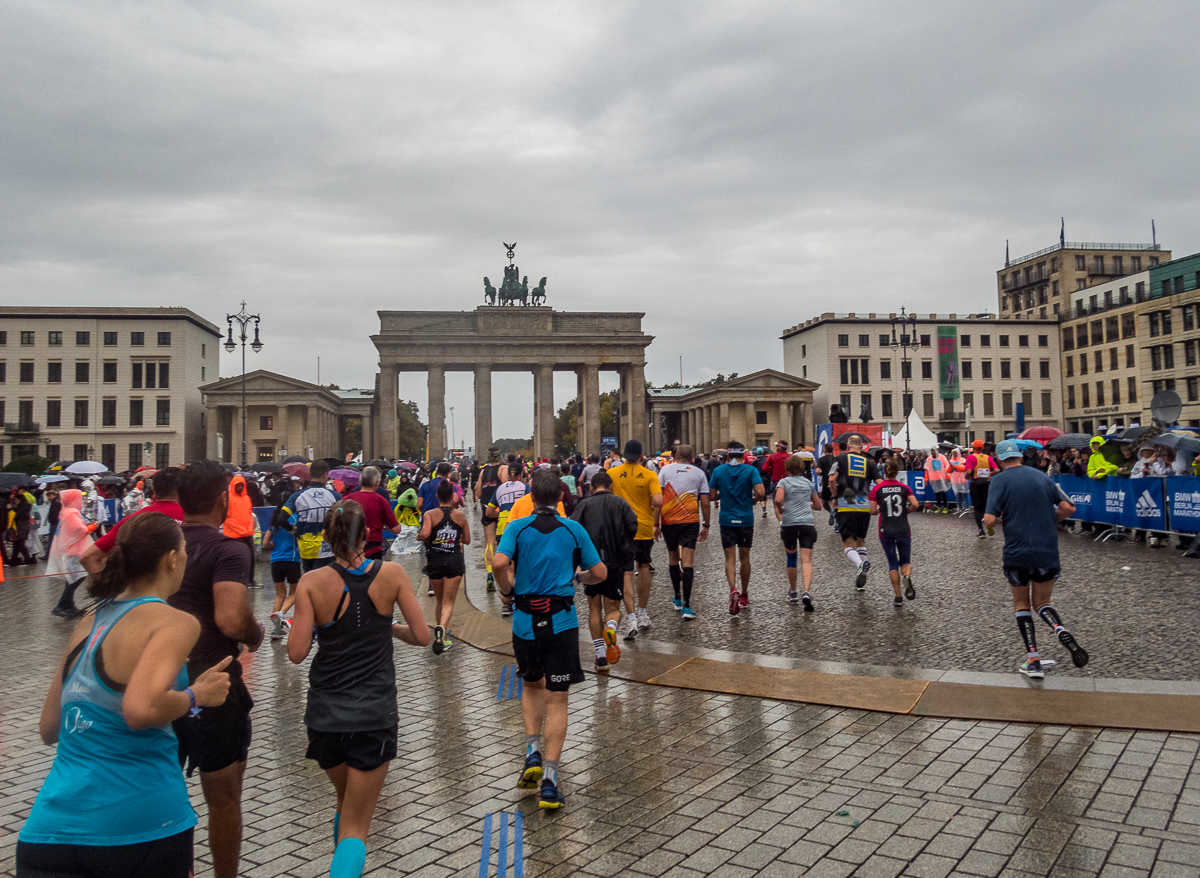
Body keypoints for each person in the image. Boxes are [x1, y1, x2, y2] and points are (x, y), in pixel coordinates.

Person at [16, 513, 233, 878]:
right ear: (172, 558)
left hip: (50, 832)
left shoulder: (91, 618)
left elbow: (49, 727)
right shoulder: (174, 622)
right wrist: (198, 694)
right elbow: (140, 709)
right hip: (140, 826)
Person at [287, 499, 430, 877]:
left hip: (324, 717)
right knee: (356, 827)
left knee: (344, 803)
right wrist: (390, 628)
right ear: (367, 533)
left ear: (327, 537)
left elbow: (297, 653)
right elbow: (423, 636)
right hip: (373, 716)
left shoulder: (311, 583)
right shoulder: (394, 574)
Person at [170, 459, 265, 878]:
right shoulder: (227, 548)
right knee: (223, 798)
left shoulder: (163, 546)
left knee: (162, 786)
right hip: (215, 678)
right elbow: (231, 620)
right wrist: (256, 632)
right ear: (222, 498)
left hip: (159, 678)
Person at [492, 470, 606, 810]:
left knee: (530, 686)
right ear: (559, 495)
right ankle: (551, 780)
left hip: (526, 620)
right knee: (558, 699)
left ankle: (531, 753)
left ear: (531, 495)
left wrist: (506, 590)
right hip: (562, 620)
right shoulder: (573, 528)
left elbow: (499, 562)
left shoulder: (517, 527)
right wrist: (580, 576)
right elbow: (599, 572)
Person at [984, 440, 1089, 680]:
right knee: (1042, 603)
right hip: (1046, 551)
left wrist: (996, 520)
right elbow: (1069, 508)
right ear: (1020, 456)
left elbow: (989, 519)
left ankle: (1033, 661)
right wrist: (1051, 519)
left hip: (1016, 553)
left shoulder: (999, 480)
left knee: (1022, 605)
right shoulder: (1043, 477)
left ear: (1000, 459)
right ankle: (1058, 628)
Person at [571, 469, 637, 670]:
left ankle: (600, 655)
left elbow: (573, 530)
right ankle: (611, 628)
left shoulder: (584, 505)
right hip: (615, 563)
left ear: (591, 488)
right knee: (613, 608)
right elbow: (633, 526)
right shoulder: (621, 503)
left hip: (592, 563)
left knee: (594, 608)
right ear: (610, 486)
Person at [81, 468, 185, 577]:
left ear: (153, 488)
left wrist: (108, 591)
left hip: (142, 588)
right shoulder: (195, 517)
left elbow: (88, 558)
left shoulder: (133, 520)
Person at [608, 439, 663, 637]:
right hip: (644, 527)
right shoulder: (649, 475)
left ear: (624, 455)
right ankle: (643, 612)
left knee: (626, 572)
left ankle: (629, 618)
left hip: (621, 528)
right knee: (644, 566)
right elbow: (658, 500)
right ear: (641, 455)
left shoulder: (612, 473)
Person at [708, 441, 765, 615]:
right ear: (743, 455)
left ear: (728, 455)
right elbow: (761, 492)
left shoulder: (718, 471)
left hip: (726, 519)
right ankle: (745, 594)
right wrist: (754, 500)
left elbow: (711, 496)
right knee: (745, 558)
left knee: (729, 559)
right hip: (745, 519)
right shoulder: (751, 470)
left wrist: (722, 494)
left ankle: (733, 589)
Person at [657, 444, 710, 619]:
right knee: (688, 562)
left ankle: (677, 598)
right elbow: (705, 502)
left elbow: (658, 499)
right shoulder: (699, 473)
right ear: (692, 457)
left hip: (669, 519)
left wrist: (655, 524)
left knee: (673, 557)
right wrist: (706, 525)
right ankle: (687, 605)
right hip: (690, 520)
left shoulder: (665, 470)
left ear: (676, 455)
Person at [418, 479, 471, 654]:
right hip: (454, 560)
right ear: (453, 497)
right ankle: (442, 629)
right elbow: (468, 540)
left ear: (437, 496)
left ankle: (443, 635)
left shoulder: (430, 514)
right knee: (449, 602)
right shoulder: (460, 516)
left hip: (435, 560)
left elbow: (425, 533)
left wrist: (419, 537)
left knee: (440, 601)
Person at [869, 458, 920, 606]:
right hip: (903, 527)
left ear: (883, 472)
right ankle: (907, 575)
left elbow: (872, 511)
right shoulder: (904, 487)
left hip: (886, 529)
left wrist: (879, 509)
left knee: (892, 563)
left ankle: (898, 596)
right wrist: (906, 511)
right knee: (905, 560)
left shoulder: (878, 489)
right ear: (897, 473)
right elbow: (915, 504)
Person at [773, 454, 821, 610]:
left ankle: (793, 591)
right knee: (806, 560)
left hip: (790, 524)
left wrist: (781, 510)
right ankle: (806, 591)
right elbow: (818, 506)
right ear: (802, 468)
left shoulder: (784, 482)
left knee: (791, 557)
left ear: (787, 469)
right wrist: (807, 505)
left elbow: (778, 499)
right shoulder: (808, 483)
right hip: (807, 523)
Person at [833, 435, 880, 591]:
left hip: (846, 504)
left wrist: (834, 497)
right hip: (864, 506)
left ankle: (860, 564)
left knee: (847, 543)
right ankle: (861, 578)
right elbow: (880, 484)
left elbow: (831, 479)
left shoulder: (839, 459)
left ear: (848, 446)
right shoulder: (870, 463)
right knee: (861, 541)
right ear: (862, 447)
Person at [47, 489, 99, 618]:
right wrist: (92, 527)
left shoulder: (67, 512)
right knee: (76, 578)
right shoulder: (71, 513)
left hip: (74, 549)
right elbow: (80, 530)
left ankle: (69, 605)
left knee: (74, 578)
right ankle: (61, 605)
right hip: (75, 550)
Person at [283, 460, 342, 573]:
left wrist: (293, 530)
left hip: (305, 548)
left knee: (310, 579)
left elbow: (281, 519)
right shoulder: (335, 496)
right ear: (325, 474)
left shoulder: (298, 496)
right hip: (326, 548)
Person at [343, 467, 400, 561]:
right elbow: (396, 529)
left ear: (360, 482)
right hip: (373, 547)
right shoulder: (381, 500)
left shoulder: (347, 499)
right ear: (377, 482)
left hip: (351, 545)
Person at [264, 500, 301, 640]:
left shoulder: (274, 521)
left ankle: (275, 629)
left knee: (280, 594)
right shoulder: (295, 518)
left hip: (275, 561)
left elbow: (265, 542)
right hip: (292, 559)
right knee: (294, 593)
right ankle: (281, 614)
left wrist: (275, 545)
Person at [474, 448, 505, 590]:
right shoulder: (503, 469)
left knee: (489, 543)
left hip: (486, 508)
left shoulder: (483, 472)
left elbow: (478, 493)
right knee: (505, 541)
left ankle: (489, 574)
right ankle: (505, 572)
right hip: (501, 508)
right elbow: (506, 486)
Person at [966, 440, 999, 538]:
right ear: (982, 448)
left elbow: (969, 471)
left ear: (973, 448)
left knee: (977, 507)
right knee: (986, 506)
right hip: (987, 483)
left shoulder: (970, 457)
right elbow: (996, 470)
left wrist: (966, 476)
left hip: (976, 483)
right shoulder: (988, 458)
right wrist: (990, 474)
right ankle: (989, 524)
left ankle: (981, 531)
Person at [923, 447, 951, 513]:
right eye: (932, 451)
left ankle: (945, 507)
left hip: (942, 478)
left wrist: (947, 477)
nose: (933, 453)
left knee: (943, 493)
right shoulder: (929, 459)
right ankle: (939, 506)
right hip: (933, 478)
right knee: (937, 493)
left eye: (934, 451)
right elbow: (927, 470)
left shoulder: (942, 457)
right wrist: (926, 479)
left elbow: (947, 467)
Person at [816, 444, 837, 530]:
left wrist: (822, 473)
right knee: (836, 502)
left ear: (824, 450)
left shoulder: (821, 459)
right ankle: (838, 524)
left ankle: (830, 511)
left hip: (826, 483)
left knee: (824, 502)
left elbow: (817, 471)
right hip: (835, 483)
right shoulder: (836, 459)